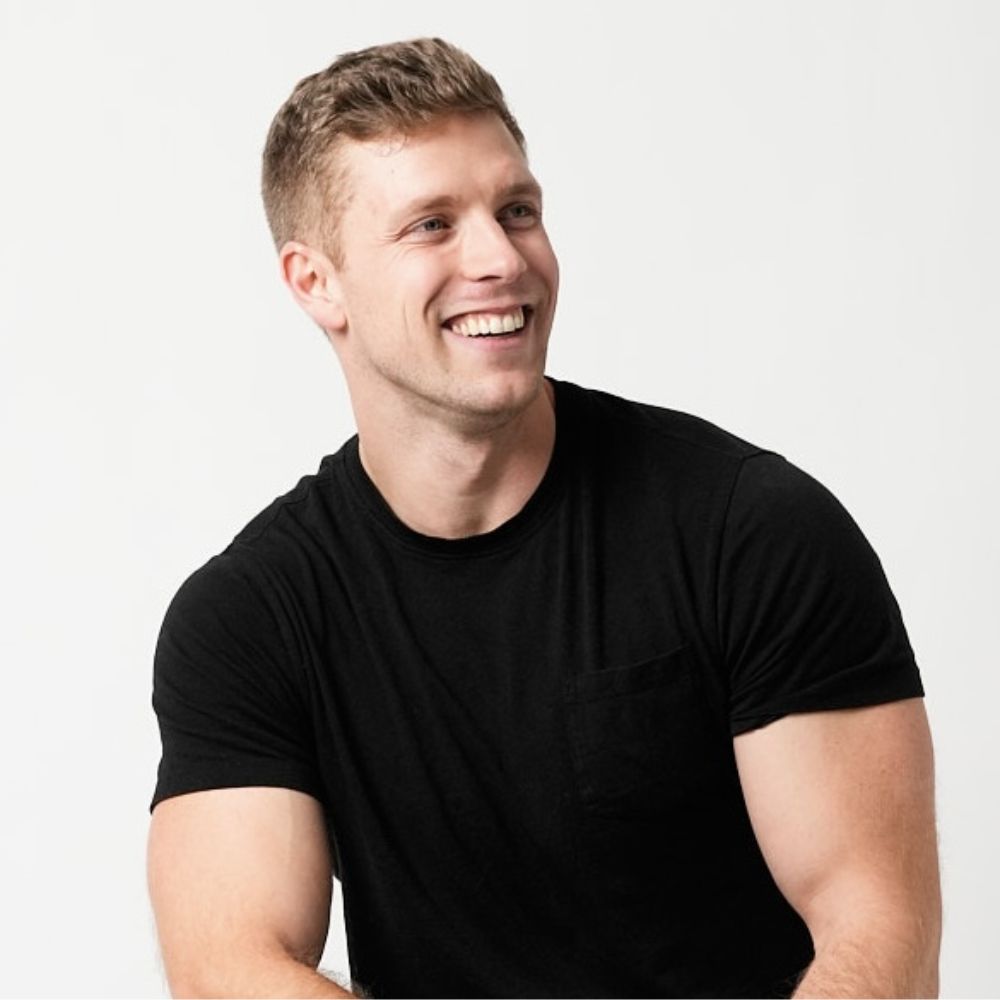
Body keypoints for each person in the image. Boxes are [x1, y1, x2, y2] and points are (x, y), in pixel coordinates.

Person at [146, 37, 941, 999]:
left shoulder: (752, 532)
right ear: (317, 282)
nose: (500, 258)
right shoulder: (252, 618)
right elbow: (231, 965)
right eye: (432, 225)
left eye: (515, 210)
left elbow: (877, 930)